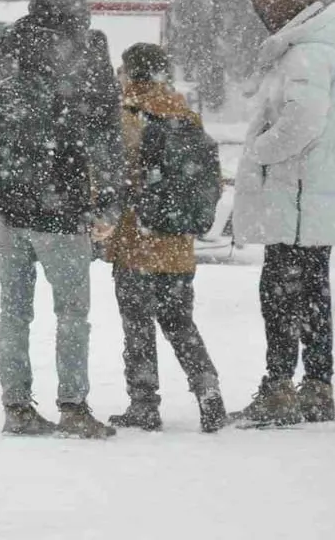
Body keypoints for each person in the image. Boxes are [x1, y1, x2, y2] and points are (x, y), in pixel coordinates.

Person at [0, 0, 124, 439]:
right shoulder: (88, 54)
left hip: (8, 213)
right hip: (63, 208)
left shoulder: (6, 53)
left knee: (14, 313)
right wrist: (108, 201)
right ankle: (73, 405)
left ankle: (17, 406)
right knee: (72, 313)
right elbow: (106, 136)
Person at [230, 0, 335, 427]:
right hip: (313, 193)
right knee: (311, 290)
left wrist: (260, 149)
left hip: (298, 194)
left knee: (280, 291)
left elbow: (302, 123)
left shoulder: (306, 52)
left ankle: (278, 388)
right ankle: (316, 387)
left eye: (264, 0)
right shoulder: (330, 49)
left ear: (281, 5)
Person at [104, 43, 228, 433]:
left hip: (136, 238)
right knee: (179, 321)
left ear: (130, 73)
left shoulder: (127, 115)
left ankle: (144, 403)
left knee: (138, 324)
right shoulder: (185, 114)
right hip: (177, 242)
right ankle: (209, 393)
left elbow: (117, 176)